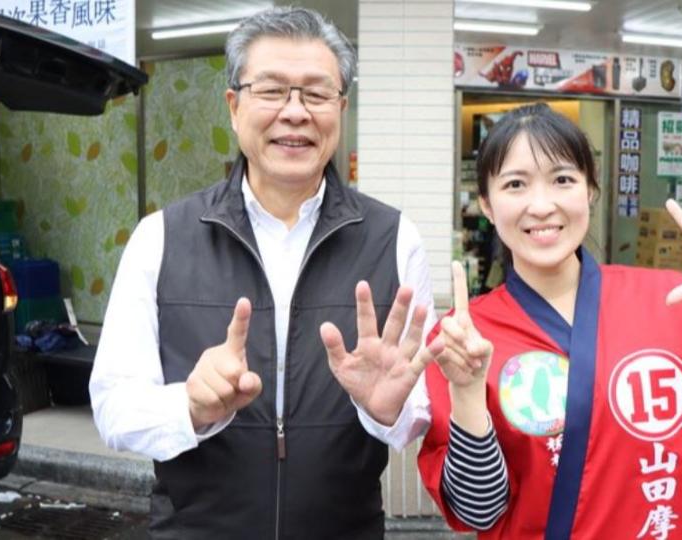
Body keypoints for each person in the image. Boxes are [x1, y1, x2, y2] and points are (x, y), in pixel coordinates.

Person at [89, 7, 442, 539]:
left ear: (341, 108)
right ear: (234, 107)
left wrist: (387, 412)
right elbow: (113, 407)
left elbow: (418, 408)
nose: (295, 112)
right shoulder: (160, 238)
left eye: (317, 94)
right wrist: (189, 404)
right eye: (272, 90)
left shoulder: (394, 240)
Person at [410, 103, 682, 539]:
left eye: (563, 179)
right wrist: (469, 394)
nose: (541, 205)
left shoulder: (669, 299)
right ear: (487, 206)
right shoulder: (464, 339)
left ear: (590, 189)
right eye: (515, 184)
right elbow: (479, 511)